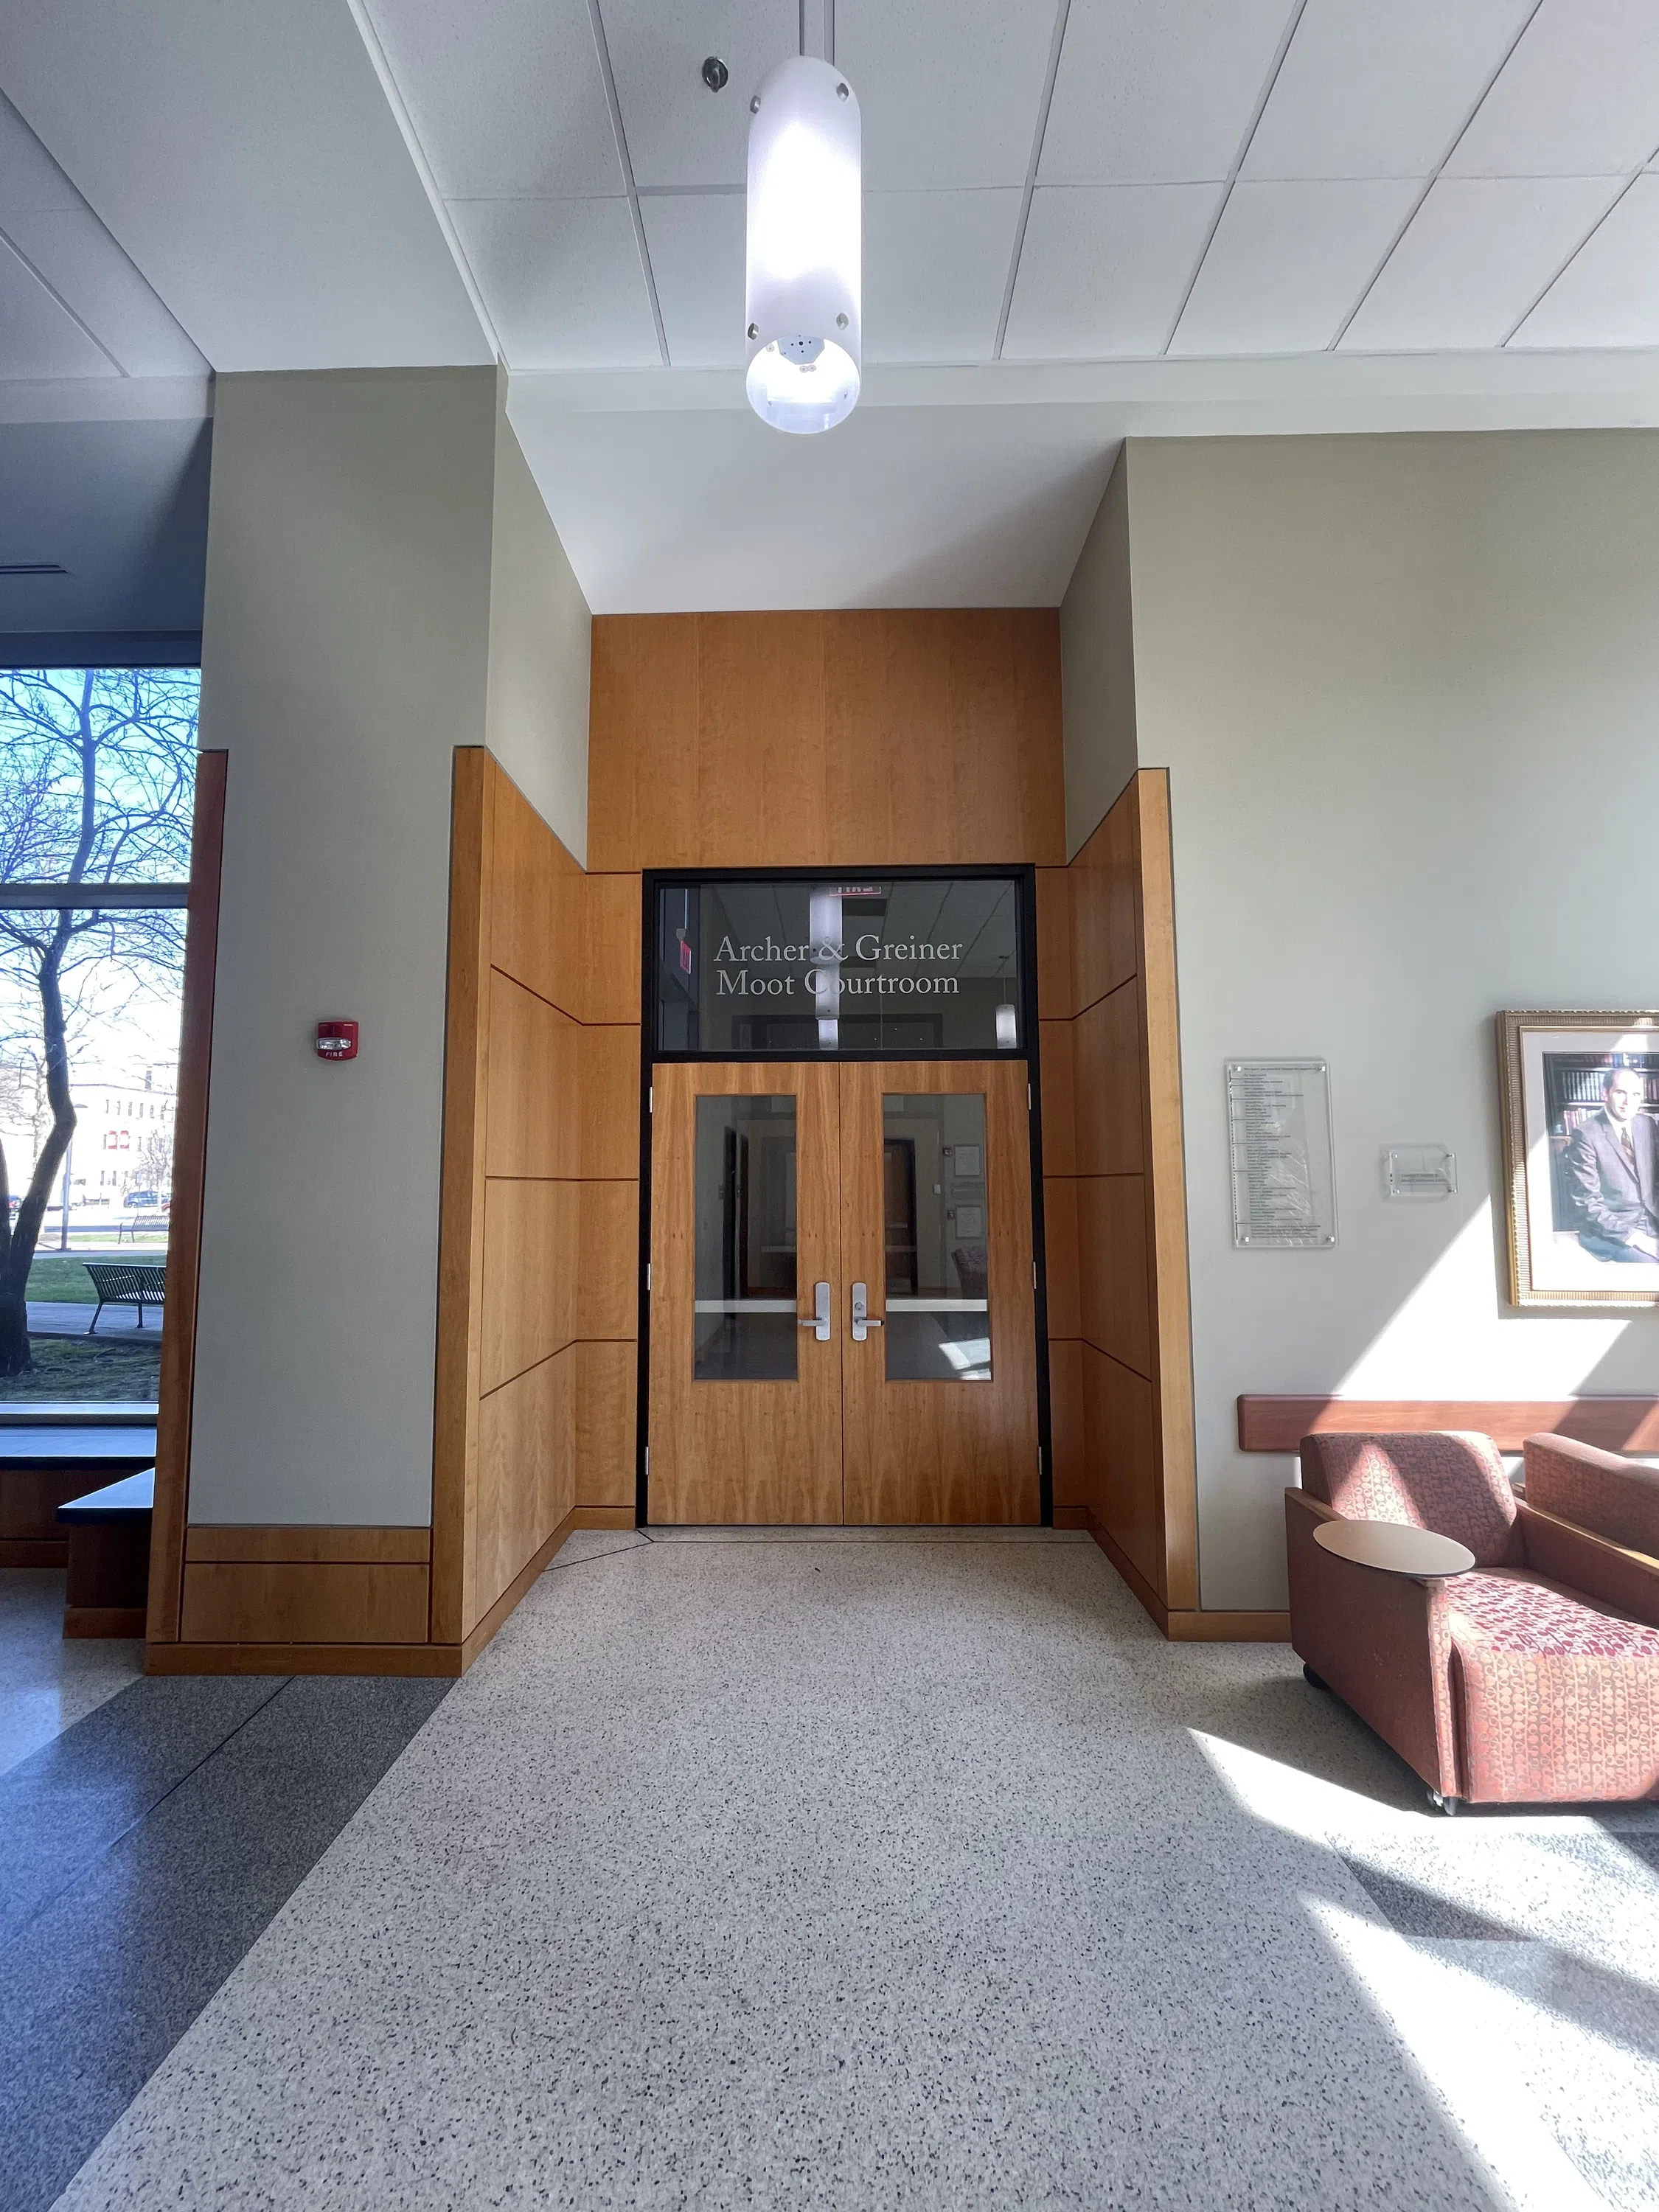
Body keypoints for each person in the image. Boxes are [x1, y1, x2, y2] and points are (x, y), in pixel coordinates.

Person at [1564, 1066, 1659, 1262]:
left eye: (1635, 1094)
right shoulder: (1586, 1135)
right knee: (1652, 1267)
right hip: (1612, 1231)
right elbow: (1588, 1203)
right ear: (1605, 1093)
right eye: (1620, 1093)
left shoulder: (1647, 1124)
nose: (1628, 1102)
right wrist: (1638, 1238)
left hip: (1653, 1221)